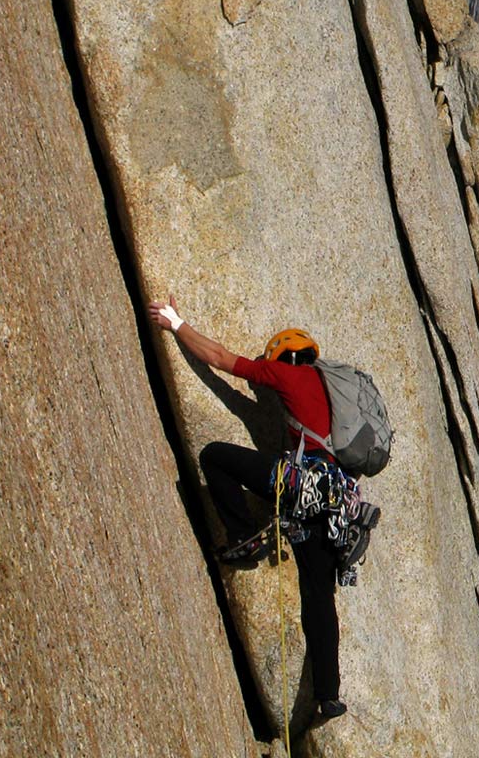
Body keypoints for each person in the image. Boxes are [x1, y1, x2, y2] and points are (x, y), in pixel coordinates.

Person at [148, 296, 352, 724]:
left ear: (283, 355)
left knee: (215, 456)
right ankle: (329, 695)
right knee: (319, 597)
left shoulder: (287, 374)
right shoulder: (334, 397)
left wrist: (176, 323)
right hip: (334, 505)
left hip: (300, 486)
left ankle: (242, 537)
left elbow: (221, 359)